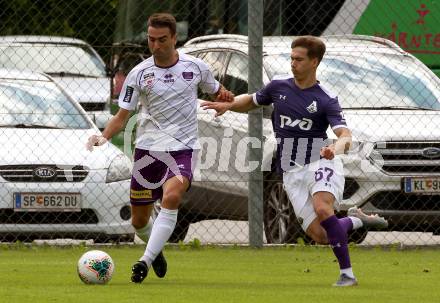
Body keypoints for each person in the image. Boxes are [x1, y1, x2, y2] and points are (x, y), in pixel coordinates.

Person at [201, 35, 388, 287]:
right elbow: (253, 100)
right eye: (291, 58)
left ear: (314, 62)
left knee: (323, 209)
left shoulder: (325, 98)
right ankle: (357, 219)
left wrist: (336, 148)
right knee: (321, 235)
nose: (293, 63)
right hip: (291, 170)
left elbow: (345, 135)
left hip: (320, 162)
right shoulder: (279, 87)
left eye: (299, 59)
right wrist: (230, 105)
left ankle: (347, 275)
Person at [86, 13, 234, 283]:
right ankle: (156, 250)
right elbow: (122, 116)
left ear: (174, 38)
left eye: (162, 40)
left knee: (172, 197)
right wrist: (103, 137)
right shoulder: (139, 74)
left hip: (183, 148)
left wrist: (225, 100)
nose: (156, 45)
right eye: (151, 40)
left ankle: (144, 260)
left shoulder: (196, 67)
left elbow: (218, 92)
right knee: (139, 221)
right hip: (148, 152)